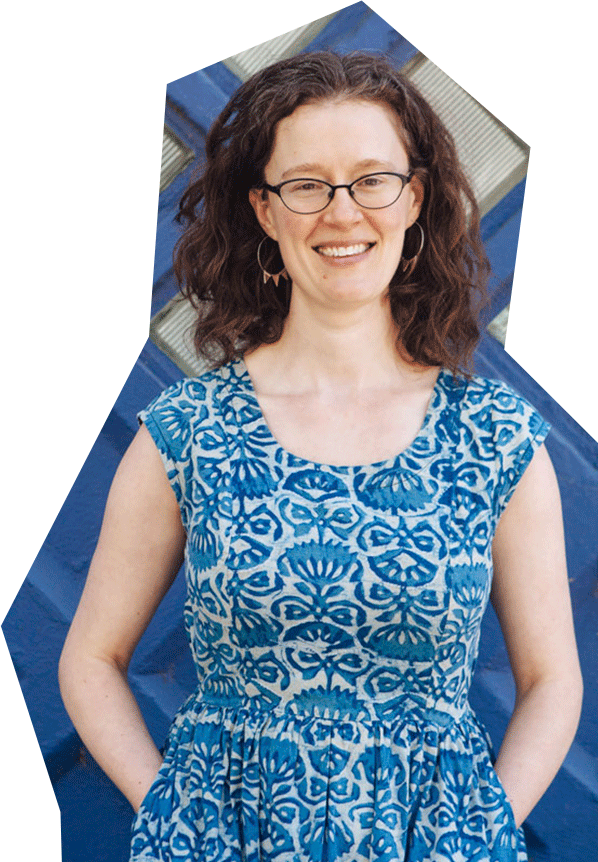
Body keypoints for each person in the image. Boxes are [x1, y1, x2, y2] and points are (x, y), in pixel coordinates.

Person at [58, 52, 583, 862]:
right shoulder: (190, 431)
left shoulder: (494, 439)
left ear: (413, 196)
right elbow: (91, 657)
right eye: (306, 185)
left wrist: (477, 834)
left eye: (372, 179)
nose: (342, 213)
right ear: (266, 212)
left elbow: (553, 682)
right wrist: (172, 813)